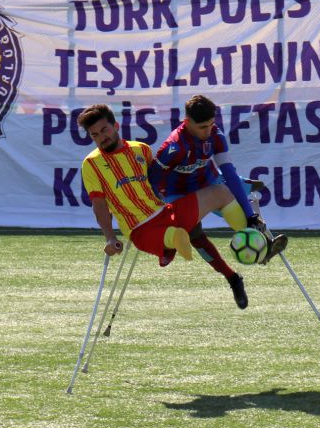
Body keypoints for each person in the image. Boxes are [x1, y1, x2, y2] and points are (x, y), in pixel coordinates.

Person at [78, 104, 256, 308]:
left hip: (166, 211)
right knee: (187, 235)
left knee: (222, 193)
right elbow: (99, 205)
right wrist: (110, 237)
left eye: (104, 130)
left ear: (116, 126)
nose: (101, 137)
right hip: (140, 229)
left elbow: (159, 181)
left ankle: (252, 237)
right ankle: (173, 245)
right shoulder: (91, 164)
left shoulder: (141, 150)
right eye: (95, 135)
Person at [149, 95, 288, 309]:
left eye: (212, 124)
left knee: (237, 199)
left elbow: (228, 172)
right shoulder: (174, 146)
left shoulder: (215, 135)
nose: (208, 130)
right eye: (202, 126)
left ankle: (262, 244)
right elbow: (153, 178)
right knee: (194, 235)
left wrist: (250, 215)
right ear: (187, 122)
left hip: (210, 182)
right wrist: (160, 208)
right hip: (179, 192)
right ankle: (233, 279)